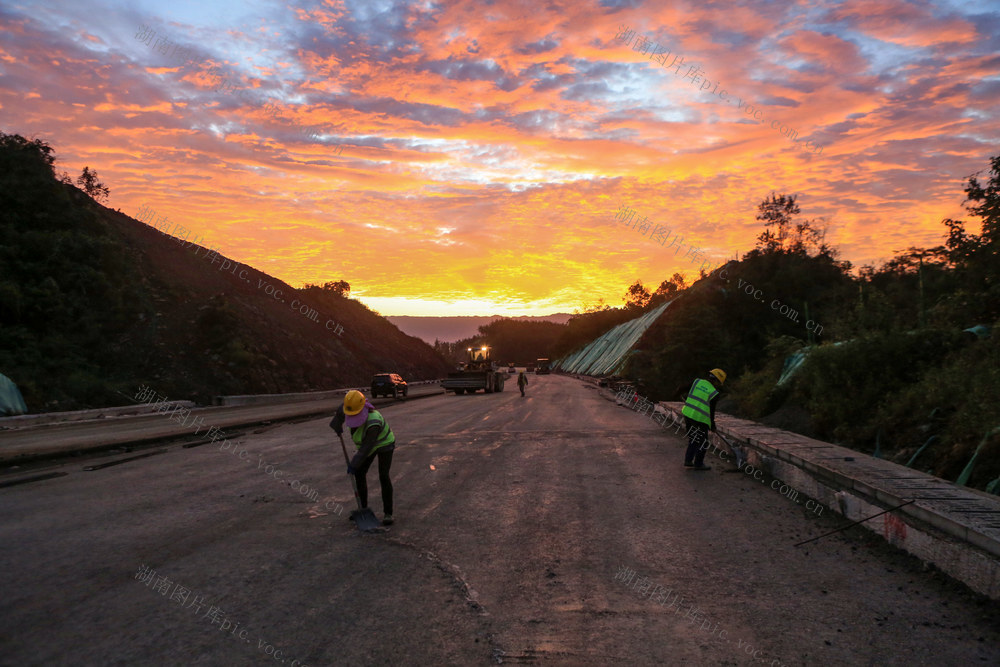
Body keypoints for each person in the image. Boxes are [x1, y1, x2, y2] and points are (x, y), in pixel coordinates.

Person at [329, 390, 396, 525]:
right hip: (368, 446)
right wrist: (336, 423)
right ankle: (363, 509)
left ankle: (388, 513)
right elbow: (340, 412)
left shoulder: (373, 421)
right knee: (359, 473)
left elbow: (366, 448)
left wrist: (354, 463)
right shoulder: (350, 406)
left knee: (383, 475)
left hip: (384, 444)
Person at [681, 368, 726, 470]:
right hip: (700, 419)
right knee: (703, 442)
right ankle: (698, 463)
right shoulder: (714, 393)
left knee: (693, 438)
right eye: (719, 383)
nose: (718, 385)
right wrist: (712, 425)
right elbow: (711, 411)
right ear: (717, 381)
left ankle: (688, 460)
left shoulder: (697, 382)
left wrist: (677, 394)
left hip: (688, 415)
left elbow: (682, 388)